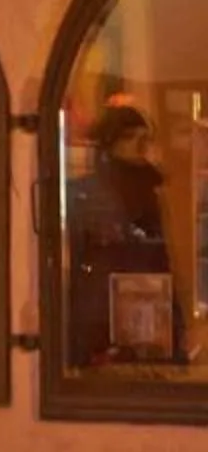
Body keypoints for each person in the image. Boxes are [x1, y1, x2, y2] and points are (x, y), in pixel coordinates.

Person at [67, 99, 182, 366]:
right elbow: (79, 260)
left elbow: (161, 257)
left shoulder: (150, 189)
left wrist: (174, 319)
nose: (139, 144)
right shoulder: (87, 193)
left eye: (145, 137)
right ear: (111, 141)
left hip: (148, 303)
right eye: (130, 136)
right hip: (100, 309)